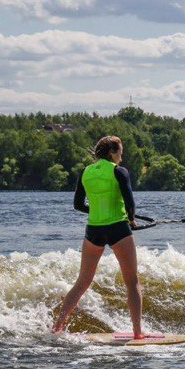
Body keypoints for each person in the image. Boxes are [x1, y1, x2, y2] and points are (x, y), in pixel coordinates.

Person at [52, 136, 145, 338]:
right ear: (112, 151)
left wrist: (97, 210)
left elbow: (78, 204)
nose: (122, 155)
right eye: (120, 151)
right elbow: (130, 202)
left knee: (82, 283)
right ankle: (138, 333)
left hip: (93, 231)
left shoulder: (85, 172)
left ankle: (57, 328)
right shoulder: (119, 171)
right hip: (118, 229)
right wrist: (131, 220)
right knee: (132, 281)